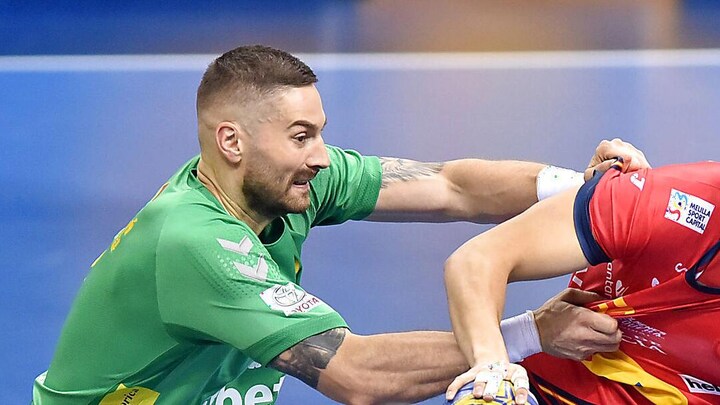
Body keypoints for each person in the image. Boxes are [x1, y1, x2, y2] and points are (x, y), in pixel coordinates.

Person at [32, 45, 646, 405]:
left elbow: (451, 186)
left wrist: (585, 190)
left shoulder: (281, 183)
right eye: (301, 136)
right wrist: (532, 333)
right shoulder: (195, 244)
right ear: (232, 142)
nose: (323, 157)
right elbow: (357, 374)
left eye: (319, 133)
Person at [444, 158, 720, 404]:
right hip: (552, 377)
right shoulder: (675, 203)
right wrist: (493, 367)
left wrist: (526, 337)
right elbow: (478, 257)